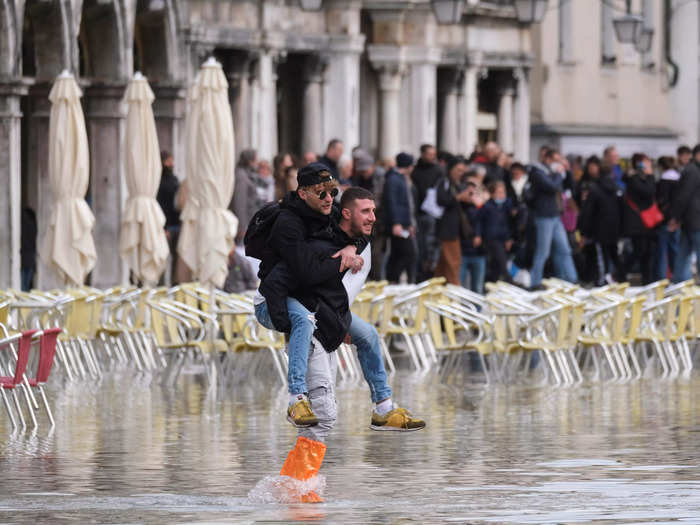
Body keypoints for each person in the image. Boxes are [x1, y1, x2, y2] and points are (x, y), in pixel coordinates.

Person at [253, 163, 424, 431]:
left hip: (315, 304)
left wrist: (350, 246)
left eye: (332, 192)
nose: (328, 198)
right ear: (303, 193)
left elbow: (361, 234)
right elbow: (302, 274)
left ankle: (383, 408)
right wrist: (343, 262)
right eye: (321, 193)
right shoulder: (289, 224)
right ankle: (295, 398)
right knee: (323, 408)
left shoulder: (329, 215)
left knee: (367, 335)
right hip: (277, 301)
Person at [529, 148, 578, 289]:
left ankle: (571, 279)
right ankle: (535, 282)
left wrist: (567, 171)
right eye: (556, 161)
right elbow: (551, 187)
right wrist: (558, 173)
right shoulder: (537, 172)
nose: (558, 164)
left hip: (556, 215)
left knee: (564, 249)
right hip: (543, 216)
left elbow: (570, 187)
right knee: (543, 251)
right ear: (548, 159)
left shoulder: (555, 174)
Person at [577, 161, 621, 286]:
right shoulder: (617, 188)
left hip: (598, 229)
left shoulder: (594, 189)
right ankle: (616, 277)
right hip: (614, 228)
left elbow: (588, 212)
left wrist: (583, 231)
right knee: (613, 254)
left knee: (601, 257)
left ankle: (603, 281)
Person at [435, 156, 472, 285]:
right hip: (447, 228)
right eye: (458, 170)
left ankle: (438, 288)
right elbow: (441, 200)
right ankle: (455, 293)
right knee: (454, 263)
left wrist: (468, 198)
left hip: (455, 229)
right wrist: (458, 197)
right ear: (450, 169)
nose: (460, 174)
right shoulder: (444, 182)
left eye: (462, 171)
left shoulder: (459, 184)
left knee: (444, 265)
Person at [621, 153, 657, 285]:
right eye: (645, 162)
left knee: (647, 252)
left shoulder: (643, 177)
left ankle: (646, 279)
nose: (648, 165)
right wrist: (651, 175)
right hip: (637, 222)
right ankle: (620, 273)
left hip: (646, 222)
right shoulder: (634, 178)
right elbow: (649, 191)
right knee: (639, 250)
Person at [383, 153, 417, 283]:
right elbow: (392, 202)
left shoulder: (400, 178)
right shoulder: (393, 179)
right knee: (408, 253)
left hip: (403, 224)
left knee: (399, 253)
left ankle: (393, 279)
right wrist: (396, 223)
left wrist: (408, 224)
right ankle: (392, 278)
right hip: (398, 225)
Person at [411, 144, 443, 282]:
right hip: (418, 212)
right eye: (429, 154)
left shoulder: (438, 170)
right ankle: (420, 274)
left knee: (430, 245)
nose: (432, 157)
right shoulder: (415, 170)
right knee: (419, 245)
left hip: (432, 212)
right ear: (423, 154)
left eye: (433, 154)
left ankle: (429, 273)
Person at [352, 150, 386, 281]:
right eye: (362, 171)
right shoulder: (359, 178)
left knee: (376, 252)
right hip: (362, 220)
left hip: (378, 221)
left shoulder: (380, 178)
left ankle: (377, 279)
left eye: (366, 171)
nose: (364, 174)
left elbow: (377, 199)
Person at [670, 144, 700, 282]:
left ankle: (679, 283)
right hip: (694, 220)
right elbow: (683, 196)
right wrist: (676, 217)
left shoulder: (692, 170)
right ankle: (680, 283)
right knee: (687, 254)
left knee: (683, 254)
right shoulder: (693, 171)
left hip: (690, 220)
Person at [654, 156, 681, 281]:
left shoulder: (663, 182)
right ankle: (676, 276)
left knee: (662, 252)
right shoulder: (679, 179)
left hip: (664, 221)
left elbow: (662, 202)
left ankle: (662, 279)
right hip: (676, 220)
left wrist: (667, 217)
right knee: (675, 249)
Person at [156, 150, 181, 282]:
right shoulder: (157, 181)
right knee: (162, 255)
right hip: (165, 225)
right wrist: (163, 227)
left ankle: (173, 283)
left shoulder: (174, 179)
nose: (172, 163)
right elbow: (161, 205)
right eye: (169, 161)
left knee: (176, 258)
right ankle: (161, 282)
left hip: (176, 223)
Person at [481, 181, 514, 283]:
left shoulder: (505, 206)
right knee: (502, 262)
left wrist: (508, 238)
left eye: (503, 192)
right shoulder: (487, 206)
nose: (502, 195)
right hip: (491, 239)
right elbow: (480, 222)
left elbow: (507, 224)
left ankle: (491, 284)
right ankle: (510, 282)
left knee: (495, 266)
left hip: (502, 239)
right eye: (499, 192)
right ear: (492, 194)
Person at [459, 182, 486, 293]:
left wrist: (481, 205)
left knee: (478, 288)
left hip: (479, 252)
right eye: (469, 193)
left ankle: (476, 310)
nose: (471, 196)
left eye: (475, 193)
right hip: (462, 251)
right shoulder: (458, 208)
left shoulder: (483, 208)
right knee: (460, 287)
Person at [230, 149, 260, 242]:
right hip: (244, 223)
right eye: (256, 159)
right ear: (250, 161)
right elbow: (240, 202)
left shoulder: (248, 174)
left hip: (249, 220)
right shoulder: (241, 176)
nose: (257, 162)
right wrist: (242, 227)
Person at [21, 207, 37, 291]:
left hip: (25, 258)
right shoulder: (33, 226)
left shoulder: (24, 226)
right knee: (25, 286)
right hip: (30, 258)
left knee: (23, 287)